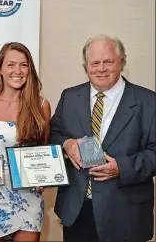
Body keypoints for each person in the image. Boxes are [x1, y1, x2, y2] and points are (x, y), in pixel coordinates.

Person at [50, 34, 156, 242]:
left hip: (125, 215)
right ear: (85, 66)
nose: (101, 69)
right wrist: (66, 143)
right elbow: (53, 134)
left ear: (122, 62)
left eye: (108, 62)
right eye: (95, 63)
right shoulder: (69, 97)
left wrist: (122, 168)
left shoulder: (148, 101)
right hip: (77, 212)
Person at [0, 42, 51, 242]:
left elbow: (43, 148)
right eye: (11, 65)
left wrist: (43, 176)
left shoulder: (41, 105)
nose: (18, 71)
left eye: (24, 65)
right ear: (0, 69)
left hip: (28, 195)